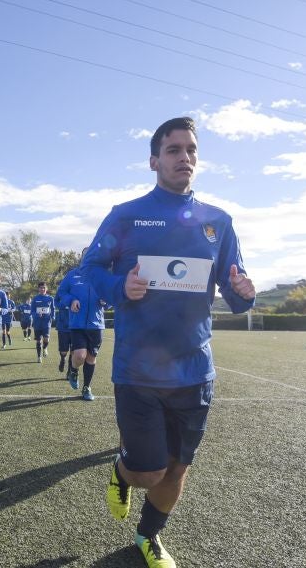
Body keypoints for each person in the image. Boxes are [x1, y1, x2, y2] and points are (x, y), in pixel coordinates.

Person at [81, 117, 255, 568]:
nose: (185, 157)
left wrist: (243, 292)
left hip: (195, 371)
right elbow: (90, 272)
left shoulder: (218, 221)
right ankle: (122, 472)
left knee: (177, 468)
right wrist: (122, 288)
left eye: (191, 149)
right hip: (139, 370)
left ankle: (148, 537)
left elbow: (234, 292)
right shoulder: (126, 215)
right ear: (154, 160)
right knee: (147, 470)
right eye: (175, 149)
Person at [57, 248, 108, 401]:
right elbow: (61, 293)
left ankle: (87, 387)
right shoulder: (72, 275)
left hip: (96, 324)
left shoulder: (102, 275)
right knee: (79, 356)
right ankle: (73, 369)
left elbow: (111, 295)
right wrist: (71, 300)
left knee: (91, 357)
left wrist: (106, 302)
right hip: (77, 323)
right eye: (86, 255)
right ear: (82, 258)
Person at [30, 282, 55, 363]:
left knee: (46, 339)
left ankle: (44, 348)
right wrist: (36, 314)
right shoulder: (35, 298)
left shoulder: (50, 298)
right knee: (38, 340)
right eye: (41, 288)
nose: (42, 289)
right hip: (37, 322)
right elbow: (32, 310)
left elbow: (53, 309)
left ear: (46, 289)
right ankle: (39, 357)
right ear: (38, 289)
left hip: (46, 322)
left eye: (44, 288)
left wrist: (52, 317)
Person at [54, 292, 72, 373]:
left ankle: (70, 371)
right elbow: (56, 302)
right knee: (63, 351)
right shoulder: (61, 291)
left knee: (74, 351)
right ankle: (62, 359)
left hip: (76, 326)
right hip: (62, 327)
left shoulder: (77, 290)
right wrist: (64, 305)